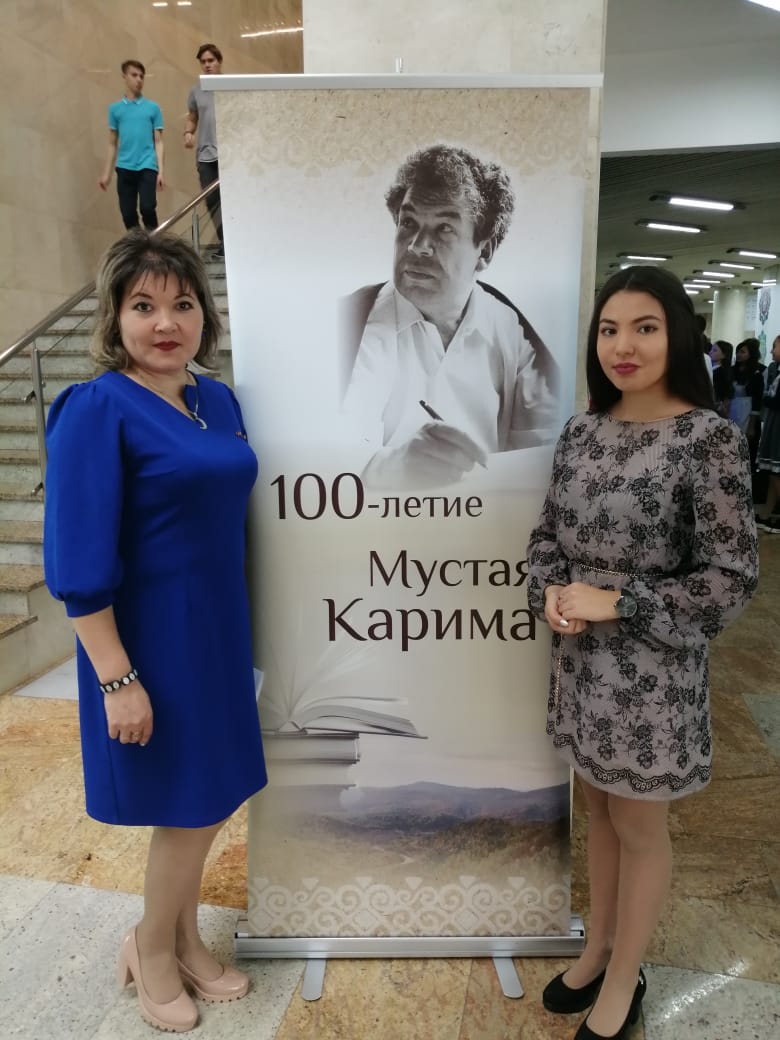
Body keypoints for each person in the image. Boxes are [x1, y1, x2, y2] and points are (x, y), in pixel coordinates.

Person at [526, 265, 758, 1040]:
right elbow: (547, 535)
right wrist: (551, 590)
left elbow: (731, 576)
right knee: (597, 808)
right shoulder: (582, 430)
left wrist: (621, 601)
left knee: (639, 826)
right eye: (609, 330)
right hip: (581, 665)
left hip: (653, 674)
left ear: (678, 335)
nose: (624, 346)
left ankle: (626, 976)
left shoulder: (708, 440)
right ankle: (597, 948)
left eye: (645, 328)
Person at [43, 230, 266, 1033]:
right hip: (150, 645)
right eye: (143, 306)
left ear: (204, 315)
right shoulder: (96, 409)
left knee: (209, 797)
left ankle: (181, 937)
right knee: (187, 804)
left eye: (182, 304)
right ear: (114, 317)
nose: (165, 322)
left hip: (217, 636)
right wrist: (117, 677)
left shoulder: (216, 401)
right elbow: (76, 562)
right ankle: (152, 949)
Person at [340, 143, 559, 488]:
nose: (416, 245)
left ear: (484, 252)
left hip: (488, 516)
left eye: (444, 228)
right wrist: (394, 465)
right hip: (381, 518)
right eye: (408, 222)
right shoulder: (353, 324)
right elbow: (336, 449)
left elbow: (541, 455)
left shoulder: (512, 333)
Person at [99, 60, 165, 230]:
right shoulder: (115, 109)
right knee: (128, 214)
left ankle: (155, 240)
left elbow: (159, 141)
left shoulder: (153, 108)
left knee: (147, 208)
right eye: (134, 75)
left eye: (141, 76)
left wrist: (161, 172)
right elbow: (112, 143)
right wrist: (106, 174)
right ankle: (138, 243)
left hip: (147, 166)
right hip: (124, 167)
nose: (139, 80)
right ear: (125, 76)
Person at [184, 44, 224, 258]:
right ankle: (225, 242)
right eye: (203, 62)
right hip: (205, 155)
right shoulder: (196, 90)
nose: (207, 65)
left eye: (211, 61)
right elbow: (192, 117)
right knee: (212, 200)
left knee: (230, 200)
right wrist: (188, 133)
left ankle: (233, 243)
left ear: (219, 61)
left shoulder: (229, 86)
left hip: (227, 154)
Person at [756, 333, 780, 532]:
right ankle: (766, 513)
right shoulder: (776, 371)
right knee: (773, 475)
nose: (771, 351)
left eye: (775, 346)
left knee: (777, 475)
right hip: (774, 424)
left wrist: (764, 398)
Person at [709, 339, 734, 418]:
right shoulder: (711, 368)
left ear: (724, 355)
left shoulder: (722, 372)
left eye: (715, 350)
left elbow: (726, 393)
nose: (710, 352)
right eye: (711, 349)